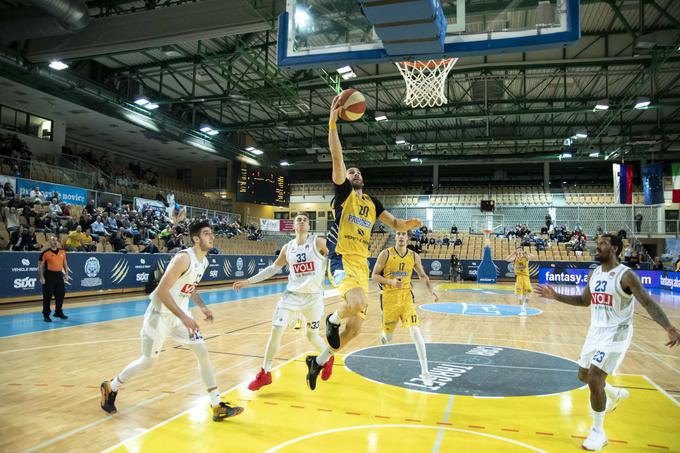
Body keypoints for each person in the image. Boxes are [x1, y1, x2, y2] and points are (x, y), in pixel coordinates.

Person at [305, 94, 422, 390]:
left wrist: (408, 224)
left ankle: (316, 363)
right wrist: (333, 123)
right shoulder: (343, 194)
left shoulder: (373, 202)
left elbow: (395, 224)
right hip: (341, 258)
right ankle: (330, 320)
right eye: (349, 172)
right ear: (344, 178)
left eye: (357, 172)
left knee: (355, 328)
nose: (353, 172)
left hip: (361, 263)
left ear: (363, 178)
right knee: (353, 303)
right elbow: (337, 157)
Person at [535, 234, 680, 451]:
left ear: (614, 248)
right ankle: (614, 394)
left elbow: (648, 303)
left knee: (594, 377)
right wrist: (556, 296)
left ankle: (598, 432)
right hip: (596, 330)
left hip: (617, 333)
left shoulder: (626, 276)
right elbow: (584, 301)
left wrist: (668, 327)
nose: (597, 247)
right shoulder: (594, 273)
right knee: (582, 375)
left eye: (602, 244)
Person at [100, 220, 243, 421]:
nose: (212, 237)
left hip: (180, 317)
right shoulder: (183, 258)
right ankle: (111, 386)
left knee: (202, 351)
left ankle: (216, 404)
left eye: (212, 233)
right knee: (148, 361)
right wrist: (185, 317)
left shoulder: (204, 261)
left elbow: (189, 286)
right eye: (207, 233)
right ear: (196, 238)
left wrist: (201, 306)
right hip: (159, 315)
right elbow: (161, 291)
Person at [233, 212, 334, 391]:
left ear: (309, 226)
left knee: (311, 335)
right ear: (294, 226)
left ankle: (328, 357)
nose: (302, 222)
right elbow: (273, 269)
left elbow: (334, 257)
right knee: (276, 331)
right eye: (298, 220)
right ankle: (265, 373)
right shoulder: (288, 248)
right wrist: (248, 281)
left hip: (314, 297)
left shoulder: (318, 242)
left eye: (304, 220)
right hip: (291, 297)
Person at [371, 231, 438, 386]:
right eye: (398, 234)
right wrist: (391, 282)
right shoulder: (385, 254)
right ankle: (384, 334)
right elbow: (374, 275)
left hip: (407, 297)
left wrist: (431, 290)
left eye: (403, 234)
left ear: (407, 237)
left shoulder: (414, 256)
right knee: (389, 338)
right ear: (395, 237)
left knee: (415, 331)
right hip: (389, 299)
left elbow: (422, 275)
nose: (401, 236)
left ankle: (425, 372)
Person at [37, 236, 70, 322]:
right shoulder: (45, 253)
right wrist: (41, 277)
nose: (54, 242)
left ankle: (58, 312)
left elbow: (65, 264)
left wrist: (66, 274)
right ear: (49, 242)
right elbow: (40, 266)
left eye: (56, 240)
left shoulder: (62, 252)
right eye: (52, 240)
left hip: (59, 275)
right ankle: (46, 315)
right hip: (49, 276)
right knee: (47, 297)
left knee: (60, 295)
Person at [505, 247, 536, 316]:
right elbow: (506, 259)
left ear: (522, 251)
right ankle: (522, 310)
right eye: (517, 250)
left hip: (526, 277)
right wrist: (512, 254)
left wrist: (527, 253)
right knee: (520, 295)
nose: (519, 251)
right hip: (519, 278)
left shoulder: (526, 257)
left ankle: (524, 306)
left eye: (520, 250)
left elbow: (534, 257)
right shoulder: (515, 258)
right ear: (516, 251)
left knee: (528, 295)